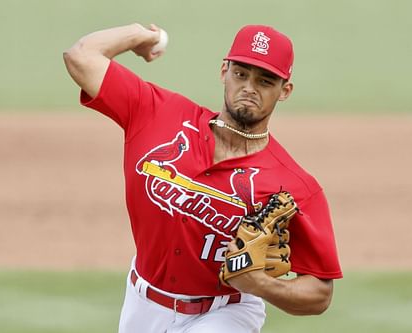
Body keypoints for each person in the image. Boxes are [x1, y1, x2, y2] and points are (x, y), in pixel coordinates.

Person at [63, 23, 342, 333]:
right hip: (141, 304)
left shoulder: (293, 185)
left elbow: (320, 293)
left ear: (284, 91)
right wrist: (142, 35)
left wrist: (260, 284)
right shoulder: (159, 114)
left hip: (226, 314)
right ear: (224, 70)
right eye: (241, 74)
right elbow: (81, 57)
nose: (250, 87)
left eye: (265, 80)